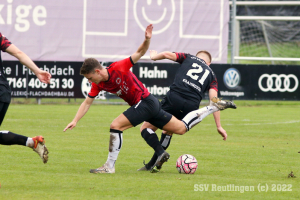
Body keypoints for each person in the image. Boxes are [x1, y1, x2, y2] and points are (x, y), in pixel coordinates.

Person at [63, 24, 236, 174]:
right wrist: (75, 120)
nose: (89, 81)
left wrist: (148, 41)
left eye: (89, 78)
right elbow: (87, 102)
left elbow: (141, 52)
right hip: (158, 104)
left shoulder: (118, 67)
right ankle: (163, 150)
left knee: (116, 126)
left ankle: (109, 166)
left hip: (146, 101)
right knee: (180, 129)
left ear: (97, 71)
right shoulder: (98, 84)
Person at [138, 49, 234, 172]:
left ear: (196, 57)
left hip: (174, 98)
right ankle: (153, 164)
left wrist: (154, 56)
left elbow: (167, 54)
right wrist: (219, 126)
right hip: (191, 107)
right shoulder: (212, 76)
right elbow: (214, 101)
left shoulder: (188, 57)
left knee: (145, 128)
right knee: (168, 131)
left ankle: (160, 153)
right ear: (209, 63)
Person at [0, 33, 51, 163]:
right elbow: (18, 53)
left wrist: (38, 71)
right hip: (3, 91)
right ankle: (31, 142)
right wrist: (37, 71)